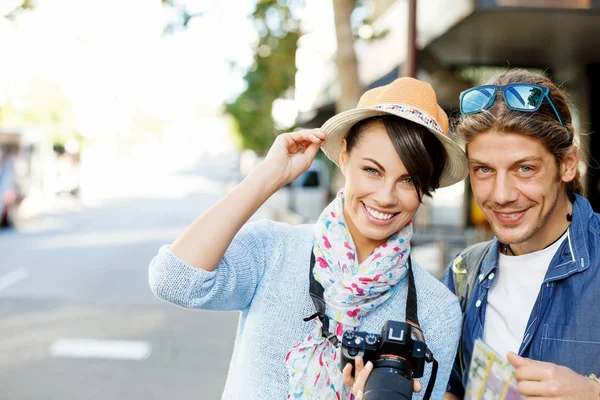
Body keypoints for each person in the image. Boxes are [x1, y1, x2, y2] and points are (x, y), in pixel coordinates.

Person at [149, 77, 469, 399]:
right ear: (344, 157)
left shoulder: (435, 311)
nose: (385, 197)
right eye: (372, 170)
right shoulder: (274, 249)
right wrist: (267, 177)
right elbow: (175, 279)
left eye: (408, 180)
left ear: (426, 188)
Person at [442, 69, 600, 399]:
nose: (501, 195)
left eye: (524, 168)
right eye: (484, 169)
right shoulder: (463, 273)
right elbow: (451, 385)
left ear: (567, 164)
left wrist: (591, 392)